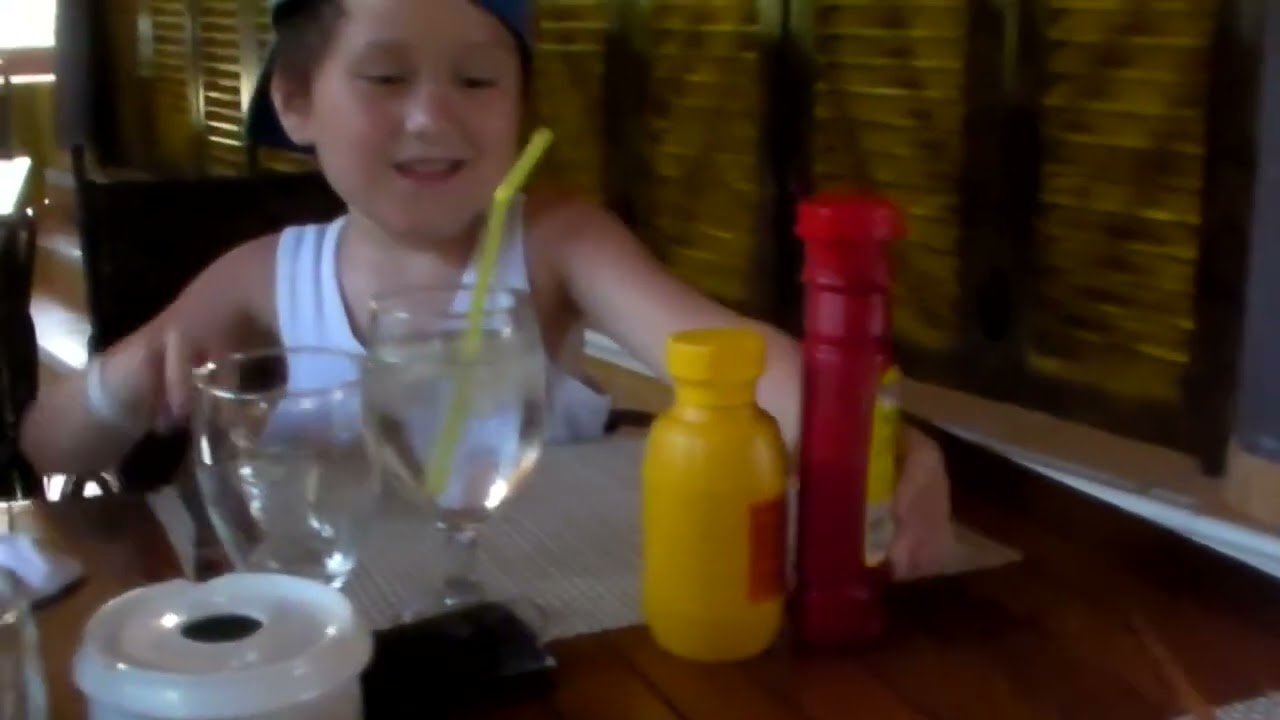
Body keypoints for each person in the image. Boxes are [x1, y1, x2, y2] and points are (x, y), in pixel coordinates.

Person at [19, 0, 952, 578]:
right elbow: (48, 446)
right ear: (297, 101)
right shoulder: (265, 275)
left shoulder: (557, 243)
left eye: (476, 79)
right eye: (386, 76)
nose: (433, 116)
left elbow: (737, 362)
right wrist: (123, 383)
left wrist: (884, 442)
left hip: (546, 616)